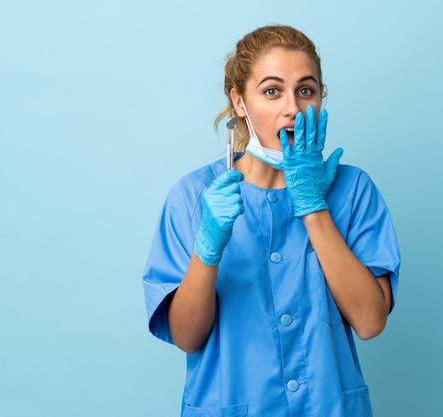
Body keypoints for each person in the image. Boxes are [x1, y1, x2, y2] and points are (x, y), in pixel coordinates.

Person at [142, 25, 400, 417]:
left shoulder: (352, 191)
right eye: (272, 91)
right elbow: (187, 336)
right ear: (239, 102)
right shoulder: (194, 198)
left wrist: (313, 206)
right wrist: (208, 247)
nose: (292, 107)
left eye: (306, 90)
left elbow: (369, 321)